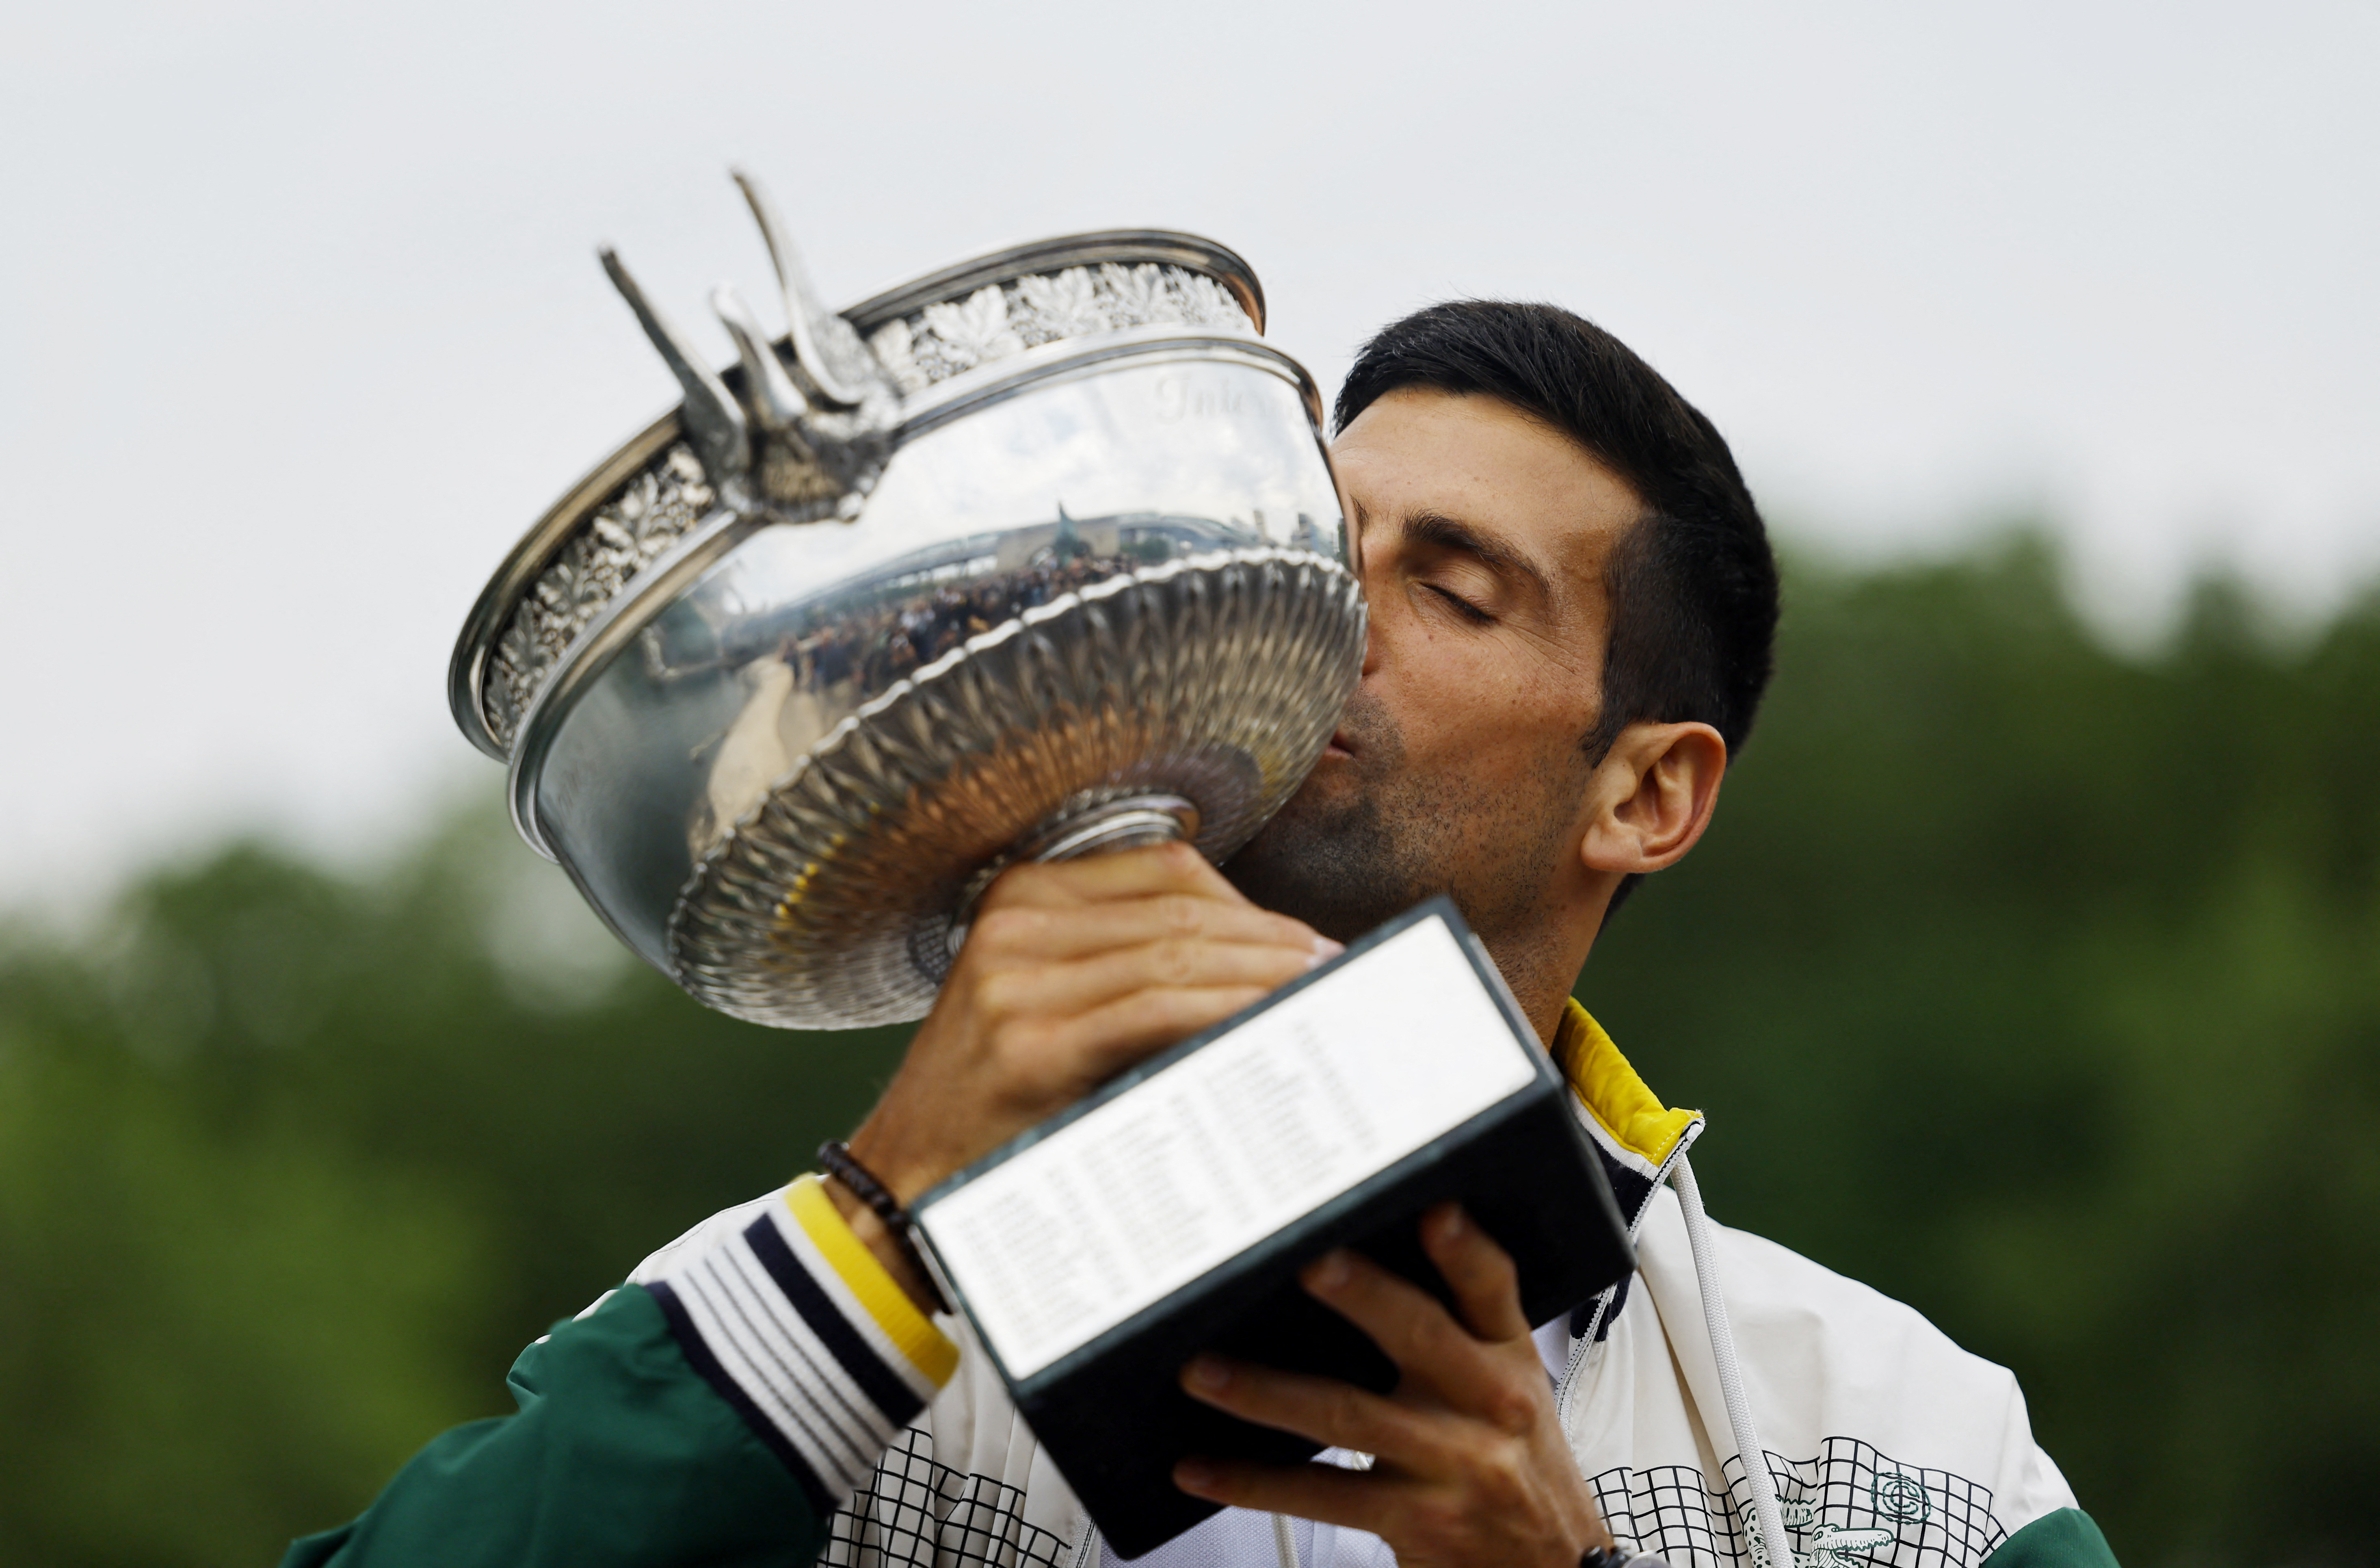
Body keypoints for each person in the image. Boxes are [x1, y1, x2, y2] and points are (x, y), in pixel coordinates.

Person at [283, 303, 2117, 1568]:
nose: (1338, 613)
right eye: (1319, 541)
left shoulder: (1892, 1441)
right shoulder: (806, 1330)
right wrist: (881, 1205)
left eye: (1451, 587)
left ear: (1645, 792)